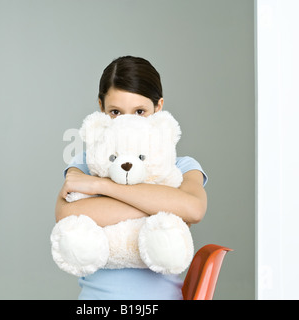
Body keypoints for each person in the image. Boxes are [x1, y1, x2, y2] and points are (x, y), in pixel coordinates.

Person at [55, 56, 208, 300]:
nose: (127, 122)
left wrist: (102, 186)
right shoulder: (89, 162)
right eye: (115, 112)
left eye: (140, 112)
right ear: (101, 109)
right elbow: (65, 215)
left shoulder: (180, 167)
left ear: (158, 108)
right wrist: (162, 205)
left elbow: (194, 208)